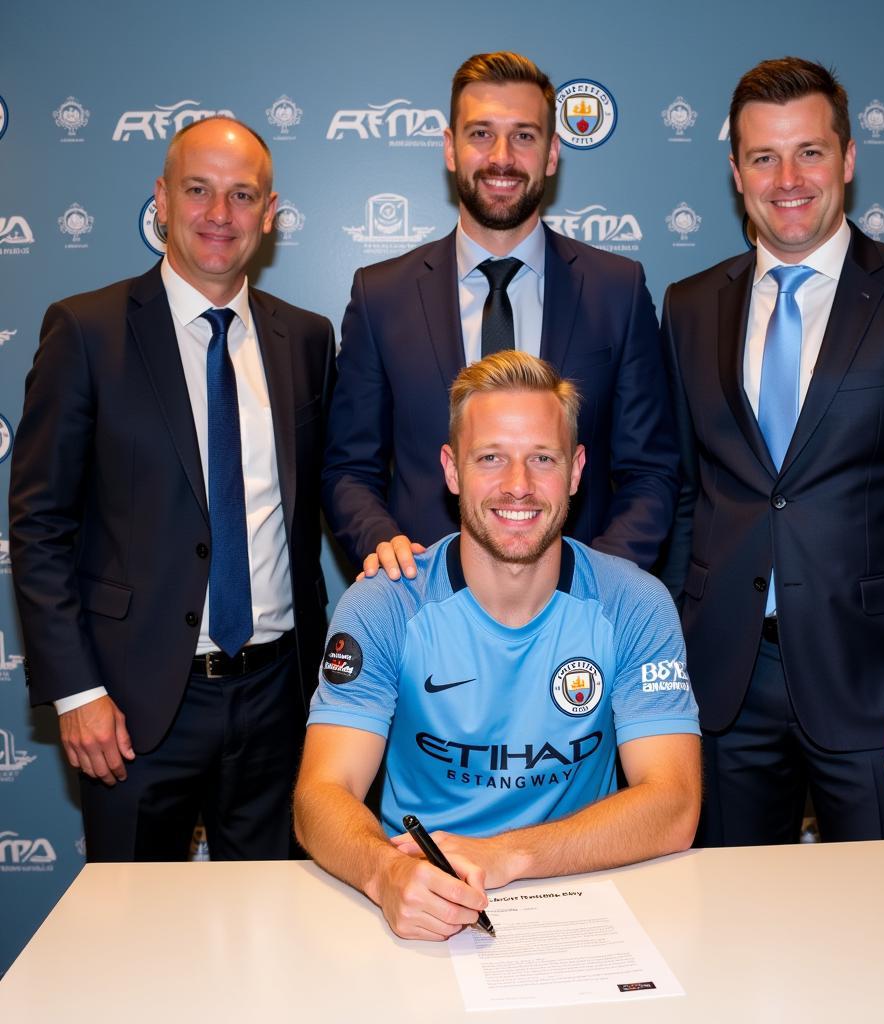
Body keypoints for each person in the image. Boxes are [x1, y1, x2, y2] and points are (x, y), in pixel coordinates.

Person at [660, 57, 884, 846]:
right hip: (722, 689)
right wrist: (675, 656)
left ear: (847, 158)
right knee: (726, 934)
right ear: (735, 171)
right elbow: (687, 493)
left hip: (881, 694)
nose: (789, 177)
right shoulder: (689, 305)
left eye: (810, 151)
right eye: (763, 156)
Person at [9, 117, 336, 861]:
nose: (220, 215)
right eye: (198, 190)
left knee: (275, 932)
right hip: (131, 704)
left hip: (279, 699)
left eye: (242, 195)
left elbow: (323, 497)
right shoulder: (87, 331)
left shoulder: (307, 340)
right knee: (130, 940)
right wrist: (77, 692)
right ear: (161, 197)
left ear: (270, 211)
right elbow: (38, 524)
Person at [295, 351, 700, 941]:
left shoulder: (633, 604)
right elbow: (320, 795)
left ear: (577, 469)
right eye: (490, 458)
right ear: (452, 469)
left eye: (543, 458)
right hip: (421, 900)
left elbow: (674, 804)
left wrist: (506, 856)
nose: (518, 486)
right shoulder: (387, 603)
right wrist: (384, 875)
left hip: (585, 896)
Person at [322, 51, 678, 581]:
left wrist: (599, 584)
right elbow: (349, 468)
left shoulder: (617, 290)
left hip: (578, 613)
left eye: (525, 136)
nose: (503, 157)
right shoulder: (381, 295)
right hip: (425, 606)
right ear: (450, 148)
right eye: (481, 133)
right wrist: (384, 547)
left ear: (554, 153)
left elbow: (650, 471)